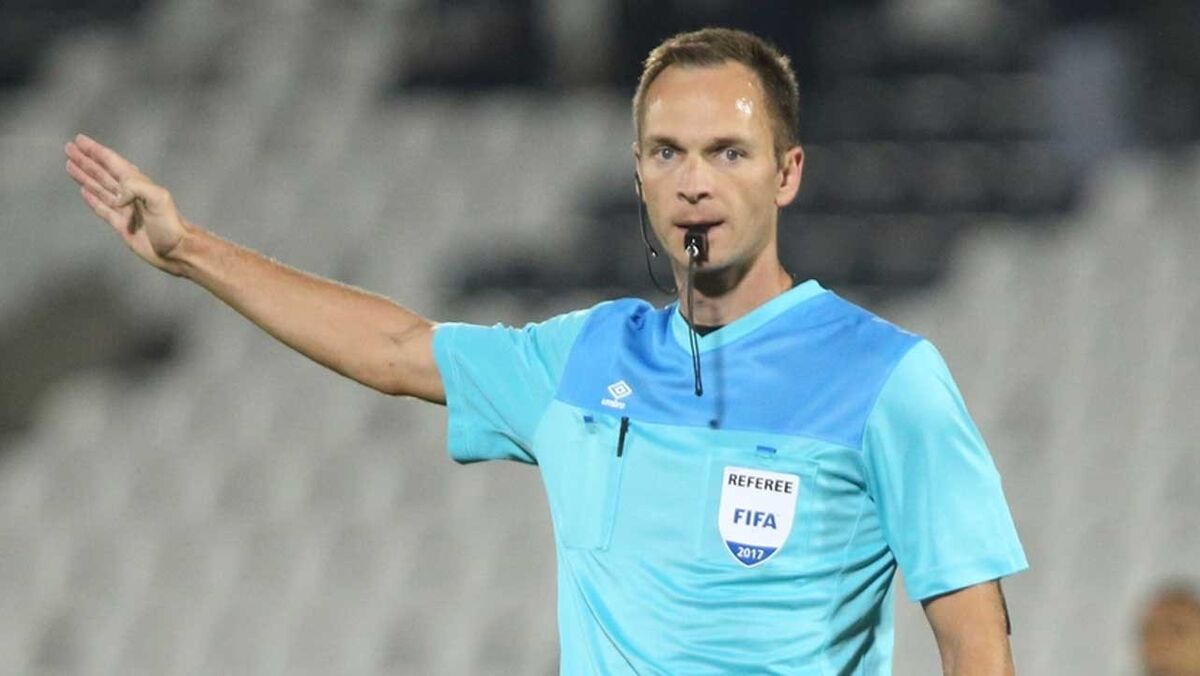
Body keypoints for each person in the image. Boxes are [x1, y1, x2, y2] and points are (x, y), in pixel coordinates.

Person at [65, 26, 1027, 675]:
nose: (694, 182)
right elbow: (396, 348)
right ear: (639, 175)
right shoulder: (586, 358)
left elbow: (975, 642)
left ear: (788, 173)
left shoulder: (885, 378)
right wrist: (189, 252)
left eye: (728, 152)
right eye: (667, 152)